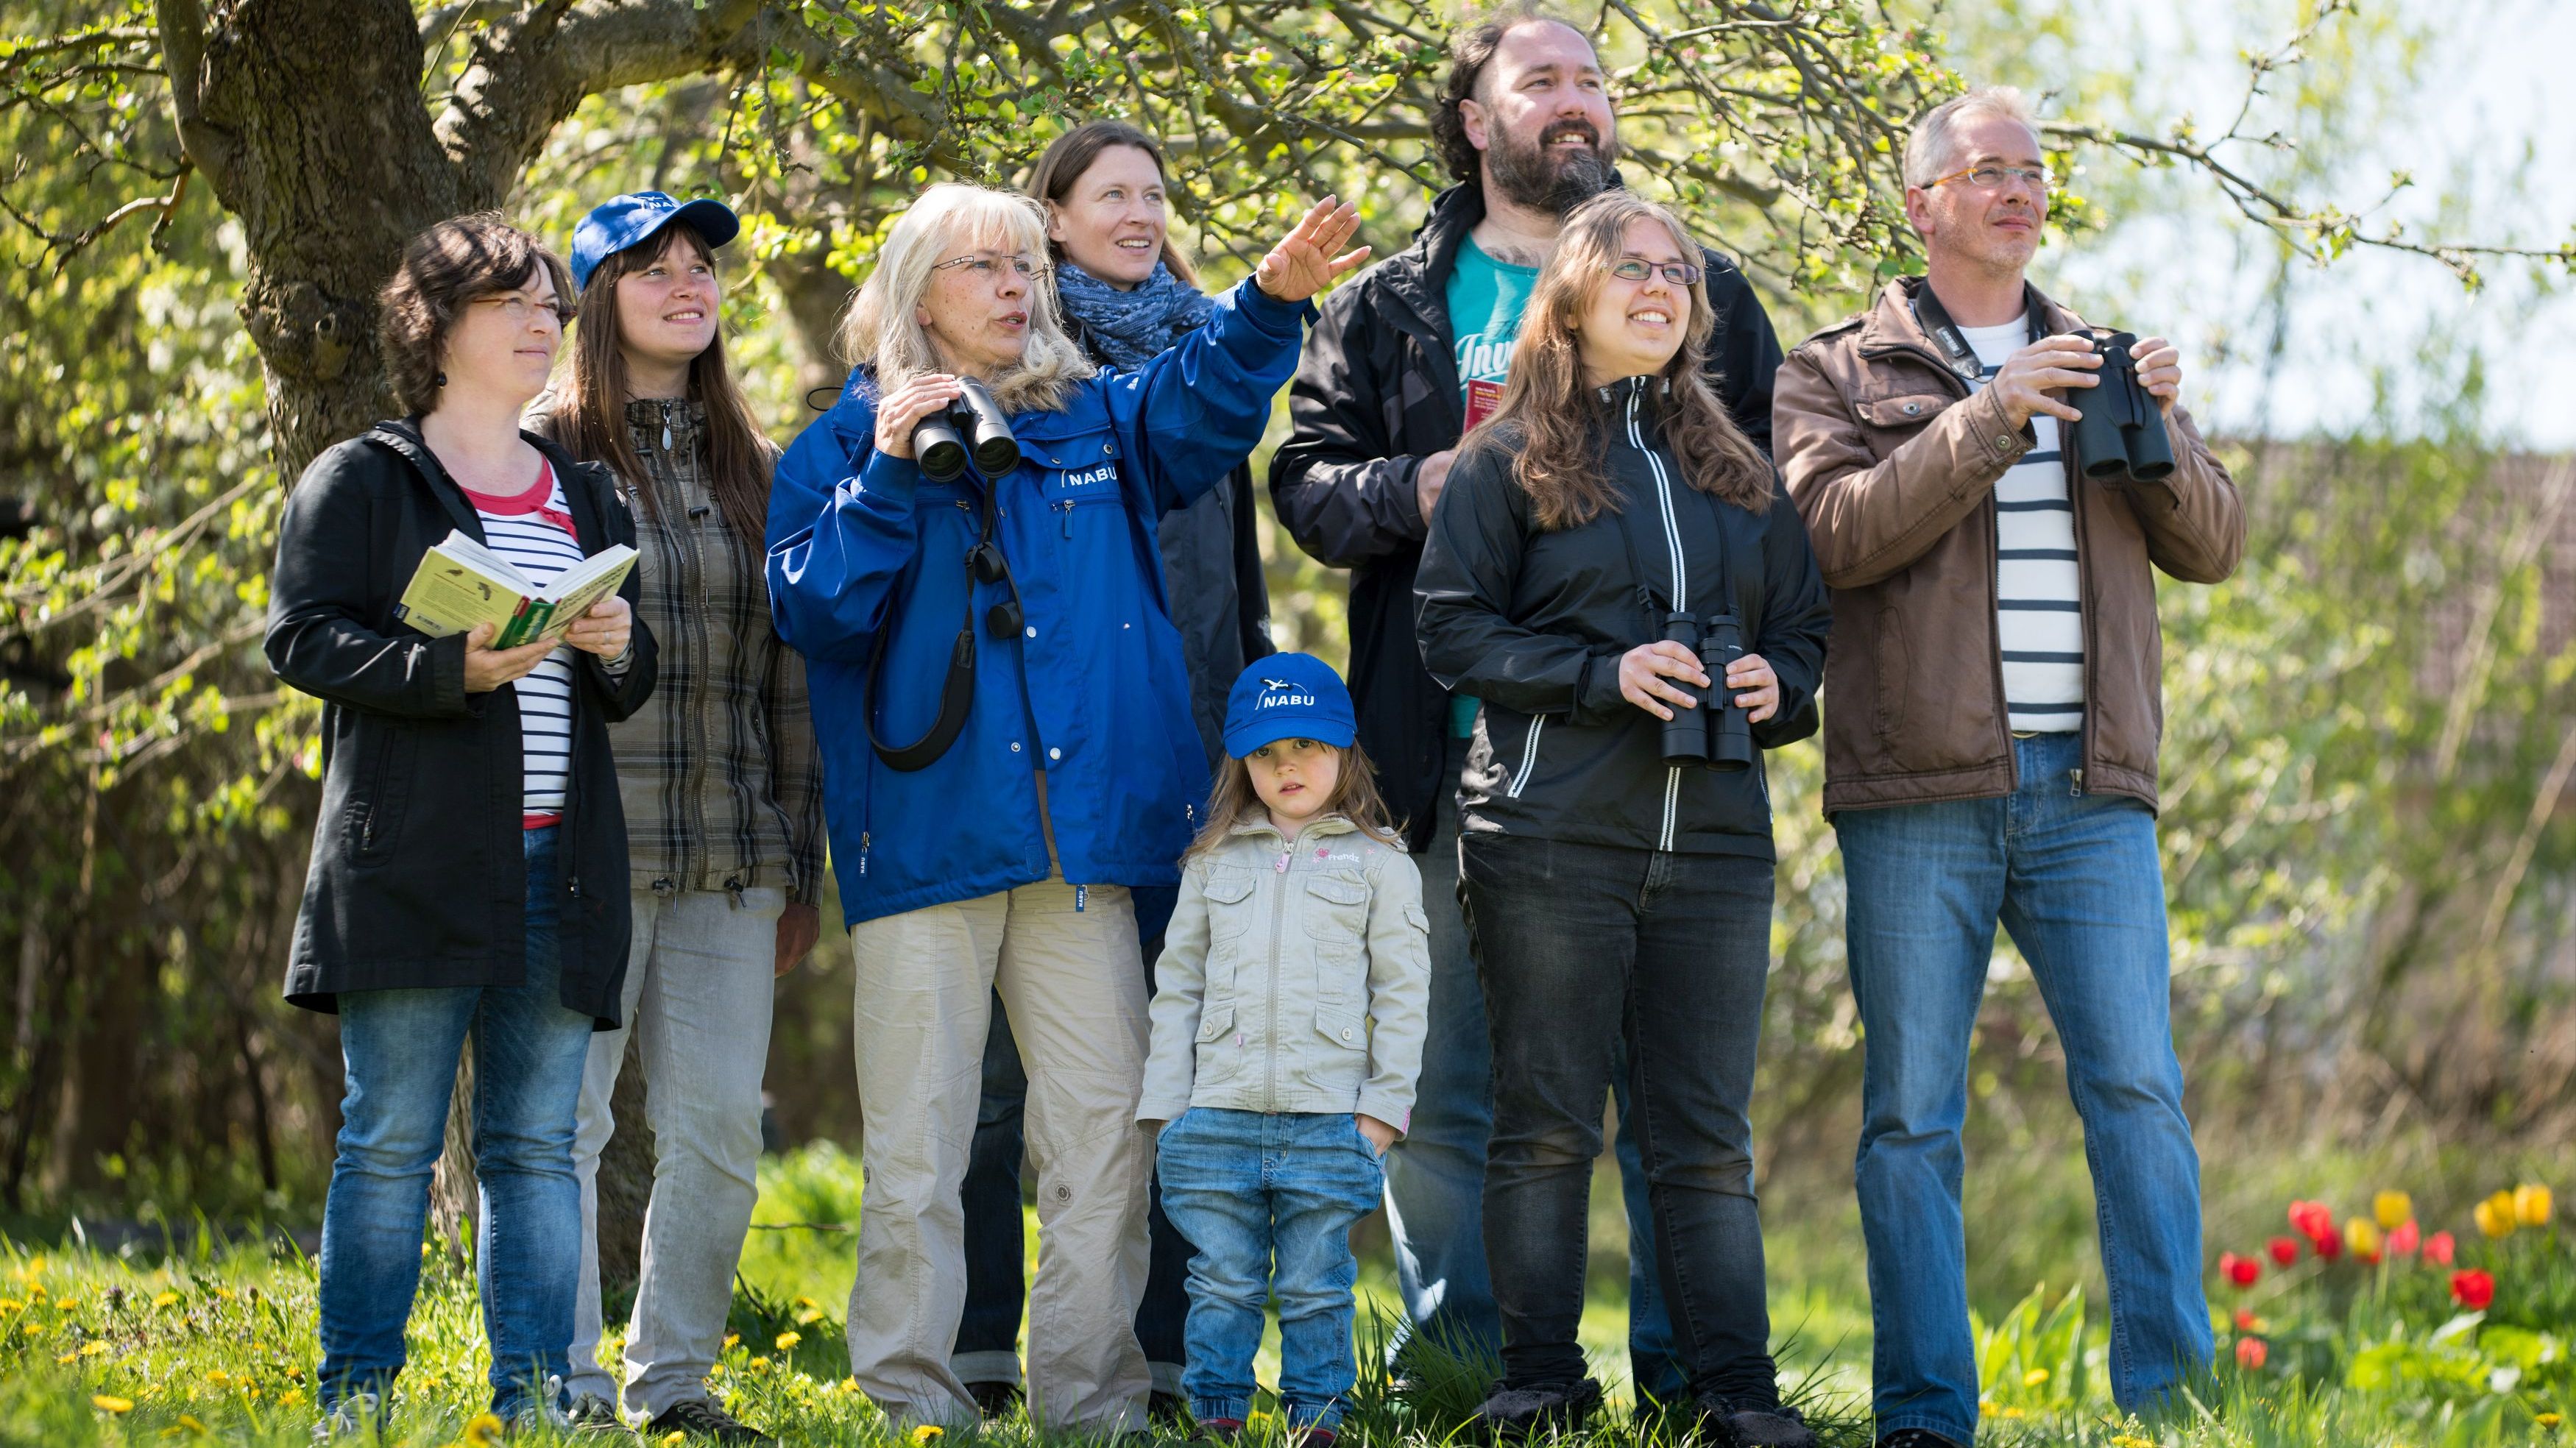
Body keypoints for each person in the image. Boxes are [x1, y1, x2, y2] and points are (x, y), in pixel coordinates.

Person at [765, 182, 1365, 1433]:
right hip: (926, 844)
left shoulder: (1092, 414)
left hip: (1083, 843)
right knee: (921, 1146)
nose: (1014, 287)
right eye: (982, 266)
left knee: (1104, 1140)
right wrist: (890, 473)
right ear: (916, 288)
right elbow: (814, 613)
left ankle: (1088, 1403)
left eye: (1026, 265)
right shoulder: (838, 444)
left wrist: (1269, 303)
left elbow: (1202, 409)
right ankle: (907, 1402)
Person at [1268, 1, 1781, 1397]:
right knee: (1456, 1089)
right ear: (1476, 114)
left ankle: (1696, 1375)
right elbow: (1305, 485)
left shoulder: (1706, 291)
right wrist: (1422, 485)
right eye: (1540, 78)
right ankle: (1472, 1361)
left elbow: (1758, 500)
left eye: (1593, 80)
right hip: (1437, 753)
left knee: (1669, 1098)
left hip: (1662, 763)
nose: (1576, 100)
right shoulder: (1388, 303)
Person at [1772, 87, 2243, 1448]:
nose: (2017, 193)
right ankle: (1927, 1416)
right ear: (1920, 203)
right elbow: (1833, 541)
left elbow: (2213, 546)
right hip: (1919, 792)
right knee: (1912, 1118)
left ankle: (2178, 1405)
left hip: (2093, 793)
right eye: (1986, 172)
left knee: (2140, 1093)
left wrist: (2159, 426)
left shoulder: (2099, 357)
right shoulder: (1836, 370)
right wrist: (1986, 419)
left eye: (2032, 172)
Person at [1415, 190, 1830, 1443]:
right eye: (1633, 269)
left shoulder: (1740, 470)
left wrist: (1779, 685)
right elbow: (1449, 627)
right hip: (1547, 837)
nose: (1663, 288)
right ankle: (1537, 1381)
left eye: (1679, 275)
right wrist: (1604, 674)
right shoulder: (1506, 459)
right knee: (1544, 1125)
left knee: (1704, 1138)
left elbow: (1804, 628)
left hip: (1714, 842)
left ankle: (1738, 1400)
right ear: (1572, 295)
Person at [266, 213, 655, 1439]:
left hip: (563, 872)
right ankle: (355, 1405)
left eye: (552, 304)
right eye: (517, 303)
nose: (546, 322)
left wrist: (616, 642)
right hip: (412, 866)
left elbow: (625, 685)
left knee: (537, 1148)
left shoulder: (583, 490)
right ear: (435, 327)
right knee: (385, 1140)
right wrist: (453, 670)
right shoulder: (364, 477)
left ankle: (534, 1408)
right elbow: (303, 635)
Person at [945, 121, 1272, 1420]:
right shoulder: (1019, 361)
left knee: (1169, 1062)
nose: (1140, 211)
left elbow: (1231, 579)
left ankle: (1164, 1345)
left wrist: (1243, 737)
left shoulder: (1205, 361)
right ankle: (976, 1337)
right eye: (1111, 193)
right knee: (997, 1076)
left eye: (1155, 190)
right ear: (1054, 219)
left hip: (1186, 749)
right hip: (1040, 757)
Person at [534, 191, 824, 1447]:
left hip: (730, 861)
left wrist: (796, 866)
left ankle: (675, 1384)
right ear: (600, 300)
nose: (686, 283)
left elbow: (792, 684)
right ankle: (556, 1381)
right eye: (653, 268)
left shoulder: (756, 471)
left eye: (701, 265)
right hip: (579, 863)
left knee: (713, 1129)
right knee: (565, 1127)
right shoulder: (539, 456)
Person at [1138, 653, 1432, 1444]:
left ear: (1344, 751)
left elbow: (1404, 999)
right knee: (1221, 1283)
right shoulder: (1209, 863)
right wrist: (1169, 1109)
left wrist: (1380, 1112)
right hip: (1217, 1119)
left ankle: (1318, 1423)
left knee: (1313, 1285)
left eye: (1305, 746)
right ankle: (1217, 1417)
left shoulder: (1381, 866)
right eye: (1266, 753)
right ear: (1243, 764)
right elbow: (1177, 990)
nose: (1286, 766)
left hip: (1329, 1122)